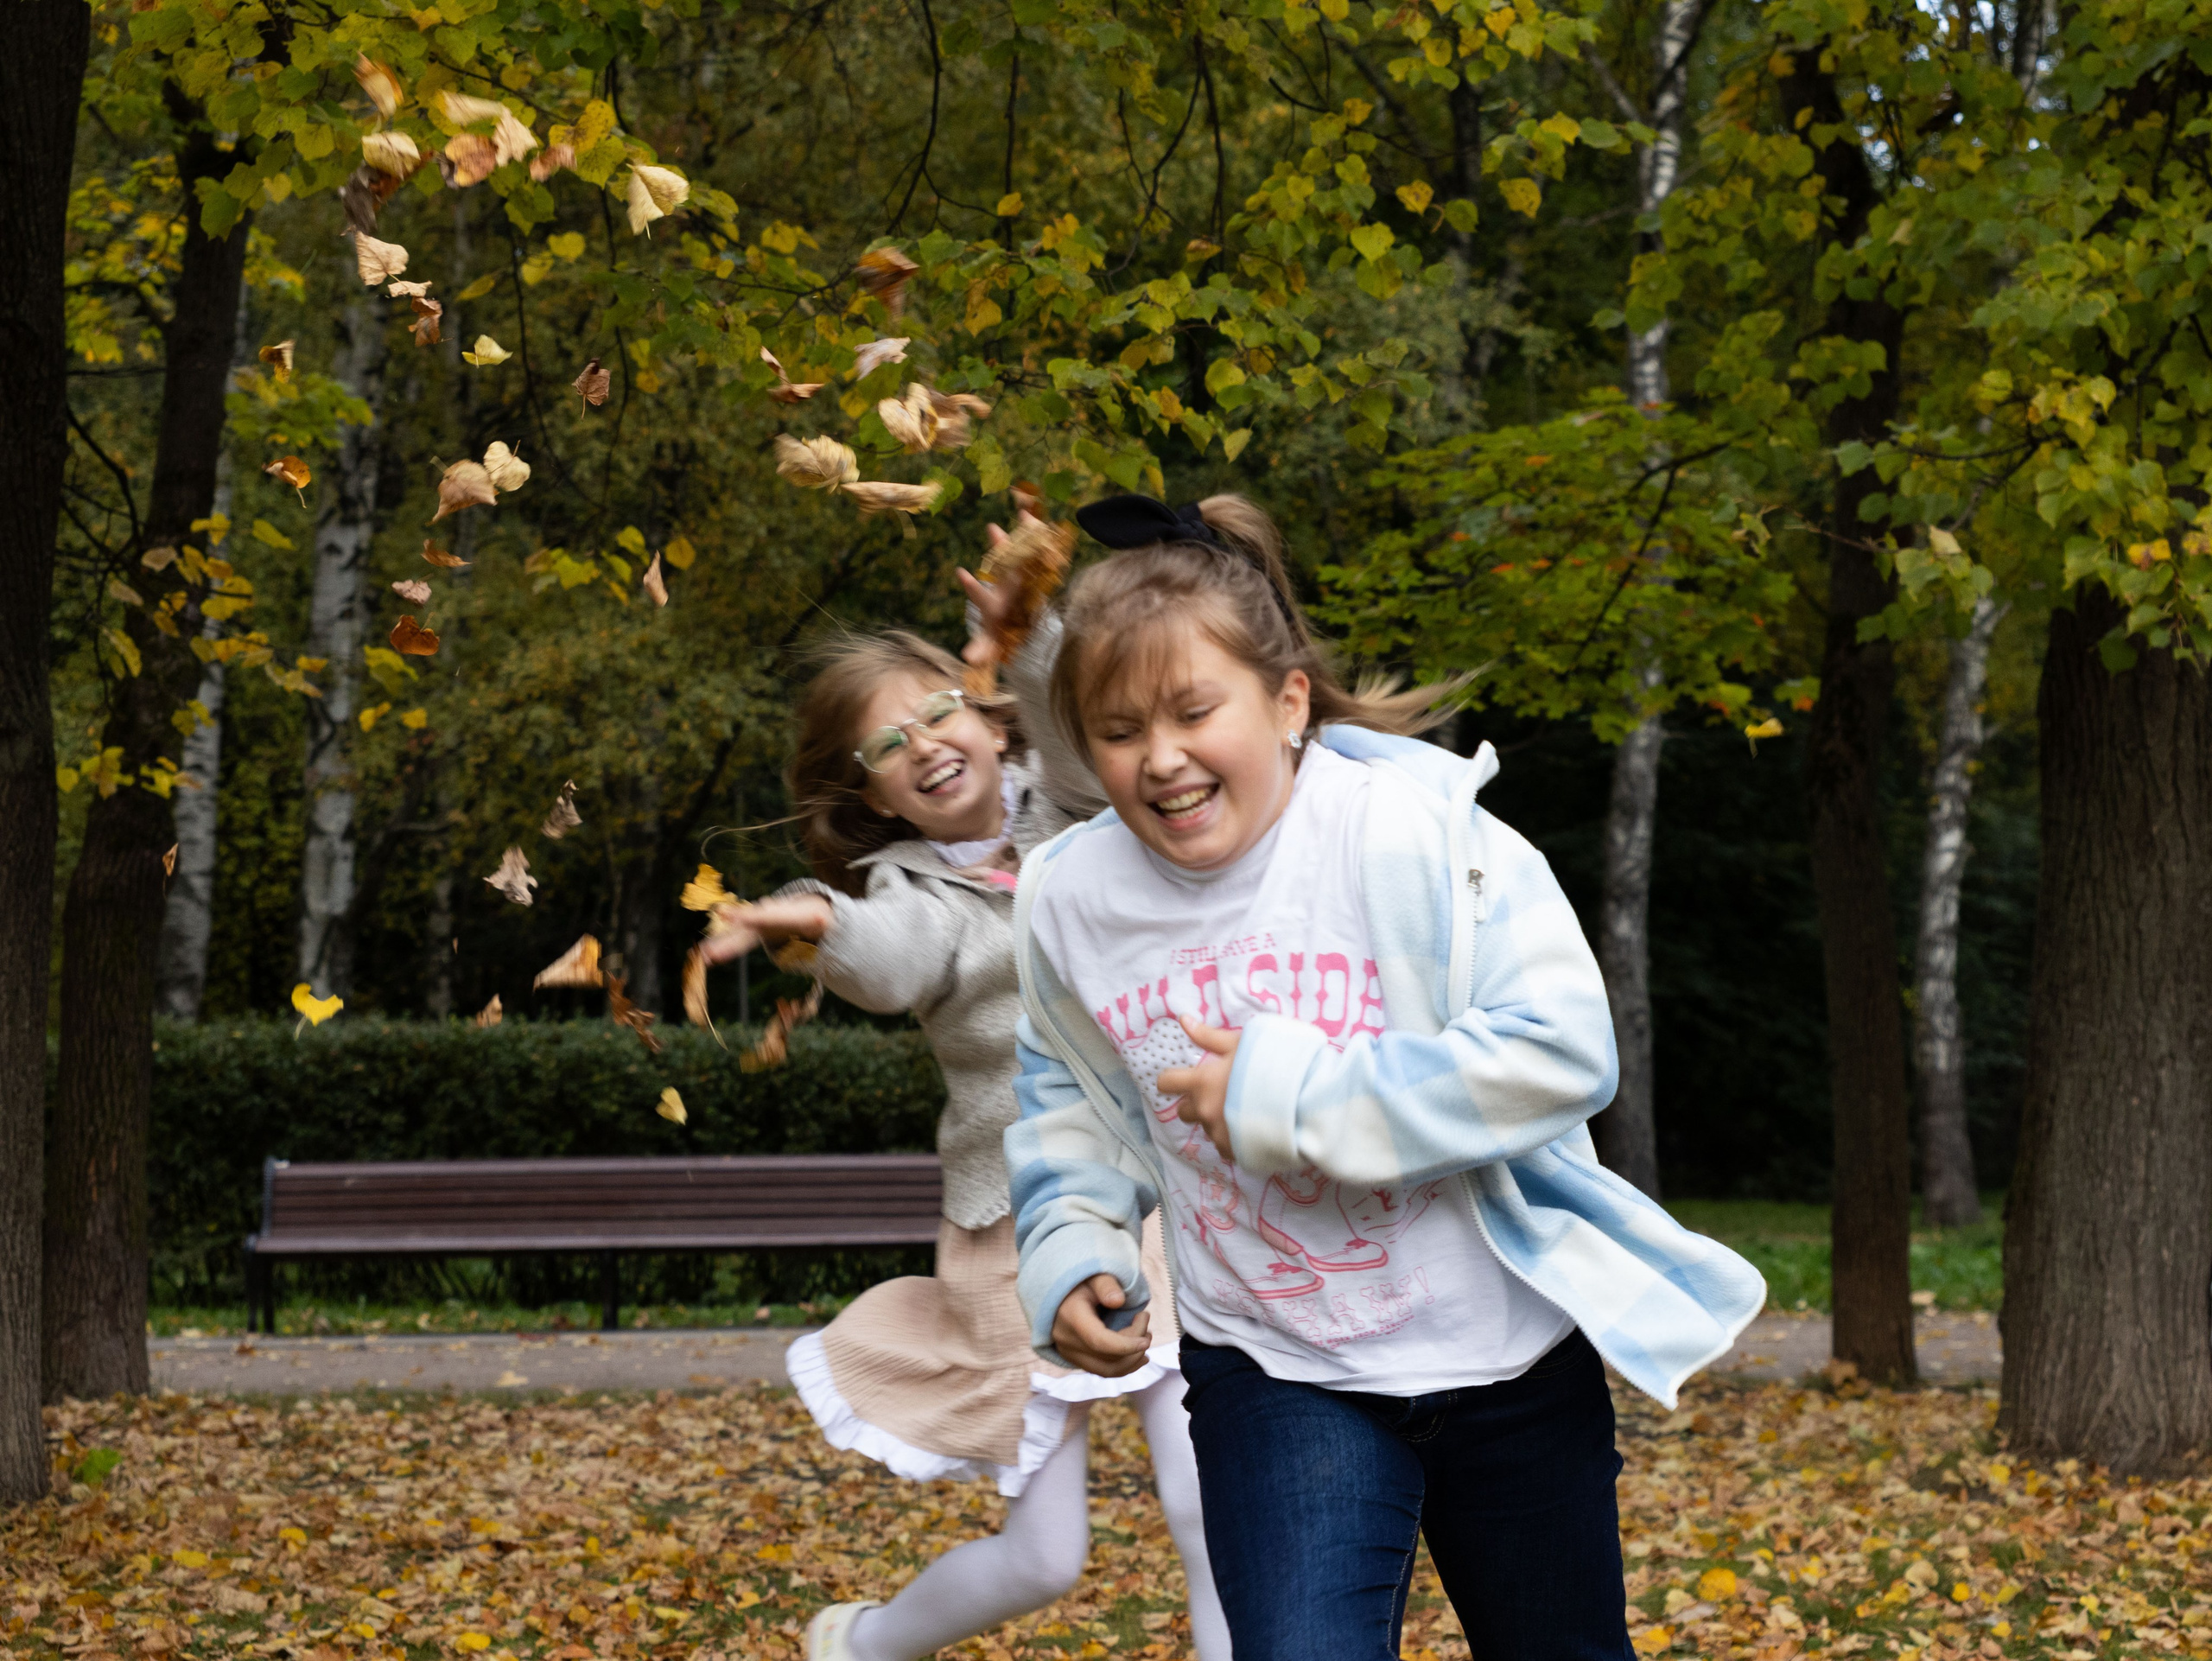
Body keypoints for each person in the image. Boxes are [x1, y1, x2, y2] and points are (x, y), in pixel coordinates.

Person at [1002, 493, 1767, 1661]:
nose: (1161, 758)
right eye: (1116, 729)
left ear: (1289, 699)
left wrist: (1295, 1099)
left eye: (1196, 710)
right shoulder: (1072, 898)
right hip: (1275, 1366)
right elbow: (1071, 1097)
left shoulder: (1414, 835)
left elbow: (1562, 1049)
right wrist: (1075, 1242)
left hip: (1503, 1352)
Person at [698, 601, 1230, 1661]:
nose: (923, 747)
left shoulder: (1077, 806)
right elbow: (895, 959)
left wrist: (1031, 625)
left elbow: (1073, 702)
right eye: (887, 746)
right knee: (1045, 1557)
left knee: (1206, 1494)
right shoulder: (910, 891)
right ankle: (863, 1644)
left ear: (989, 720)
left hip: (1161, 1191)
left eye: (937, 714)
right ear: (871, 791)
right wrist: (818, 920)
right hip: (1014, 1224)